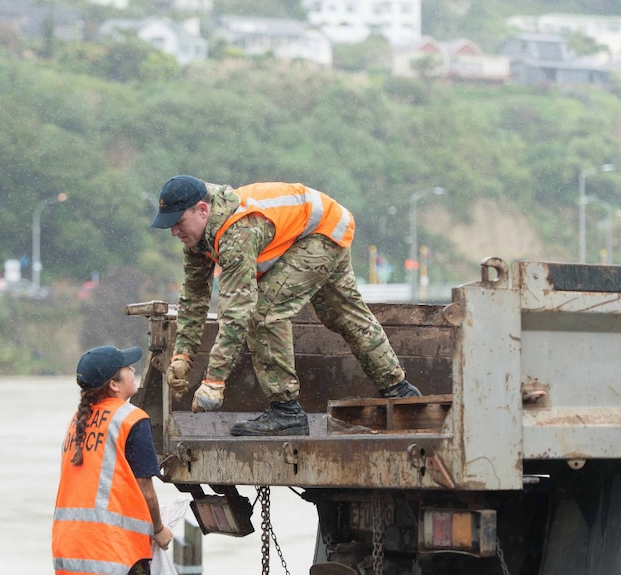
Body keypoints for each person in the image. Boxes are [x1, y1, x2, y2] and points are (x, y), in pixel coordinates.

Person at [150, 175, 421, 437]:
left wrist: (214, 381)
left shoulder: (237, 231)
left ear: (202, 209)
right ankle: (399, 390)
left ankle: (286, 411)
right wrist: (182, 356)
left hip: (320, 232)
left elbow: (237, 312)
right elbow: (194, 297)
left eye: (178, 222)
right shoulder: (199, 238)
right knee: (341, 312)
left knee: (264, 313)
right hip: (322, 225)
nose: (174, 232)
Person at [52, 345, 173, 575]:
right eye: (127, 367)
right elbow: (145, 489)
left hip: (69, 552)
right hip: (115, 553)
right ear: (114, 384)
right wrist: (158, 529)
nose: (133, 369)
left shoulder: (76, 421)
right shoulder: (132, 419)